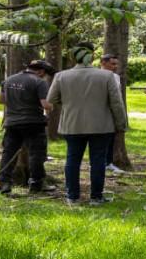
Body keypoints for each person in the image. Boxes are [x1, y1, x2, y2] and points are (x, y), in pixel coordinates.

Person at [47, 42, 128, 206]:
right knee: (98, 161)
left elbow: (51, 100)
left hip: (72, 124)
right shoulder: (106, 76)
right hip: (101, 125)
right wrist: (121, 124)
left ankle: (72, 196)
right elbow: (116, 103)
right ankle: (96, 197)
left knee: (72, 160)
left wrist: (69, 102)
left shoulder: (61, 76)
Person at [0, 59, 54, 195]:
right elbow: (45, 104)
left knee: (8, 153)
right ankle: (36, 184)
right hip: (34, 123)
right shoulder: (39, 82)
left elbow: (1, 100)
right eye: (45, 74)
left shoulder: (9, 80)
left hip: (12, 123)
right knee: (36, 154)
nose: (45, 77)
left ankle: (4, 183)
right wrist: (52, 105)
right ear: (41, 71)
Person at [100, 53, 126, 175]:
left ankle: (108, 162)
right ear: (103, 63)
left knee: (111, 136)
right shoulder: (98, 76)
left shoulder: (116, 77)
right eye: (112, 64)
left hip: (113, 110)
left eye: (116, 64)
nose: (115, 66)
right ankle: (101, 162)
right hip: (101, 110)